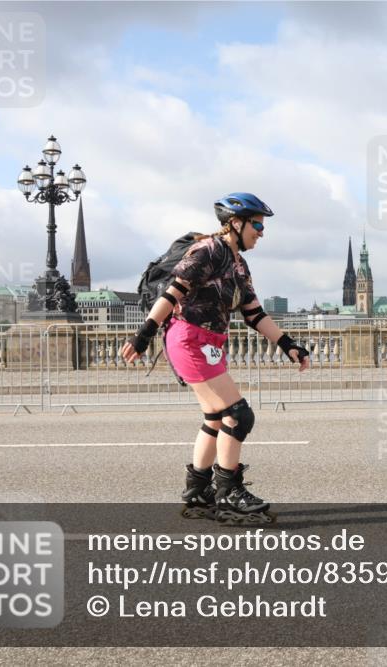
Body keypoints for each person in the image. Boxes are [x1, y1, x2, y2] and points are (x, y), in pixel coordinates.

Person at [120, 193, 309, 524]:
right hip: (189, 339)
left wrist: (287, 343)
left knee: (216, 419)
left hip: (212, 345)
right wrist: (144, 334)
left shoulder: (238, 264)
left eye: (263, 226)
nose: (262, 232)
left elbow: (254, 313)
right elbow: (173, 292)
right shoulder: (208, 250)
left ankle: (198, 491)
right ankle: (229, 494)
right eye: (258, 224)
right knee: (238, 414)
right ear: (235, 223)